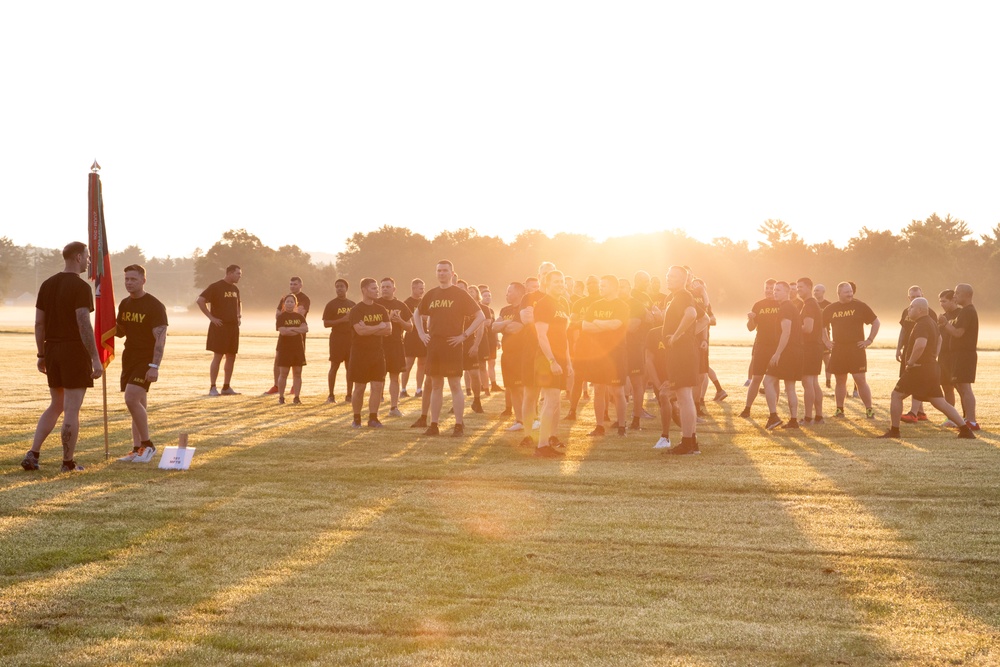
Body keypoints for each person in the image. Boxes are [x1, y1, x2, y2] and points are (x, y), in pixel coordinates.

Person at [22, 242, 103, 472]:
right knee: (71, 409)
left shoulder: (47, 284)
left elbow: (39, 323)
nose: (88, 261)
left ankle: (33, 453)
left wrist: (41, 354)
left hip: (52, 350)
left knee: (55, 405)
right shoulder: (80, 287)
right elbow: (83, 323)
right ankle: (67, 463)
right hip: (74, 351)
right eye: (87, 257)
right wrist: (95, 358)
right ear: (78, 257)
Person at [877, 298, 975, 440]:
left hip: (919, 369)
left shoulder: (922, 324)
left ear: (920, 310)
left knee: (896, 395)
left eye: (911, 307)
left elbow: (921, 344)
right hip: (930, 368)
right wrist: (933, 355)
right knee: (939, 402)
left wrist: (910, 362)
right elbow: (939, 339)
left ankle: (894, 431)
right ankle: (965, 430)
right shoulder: (931, 322)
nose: (909, 310)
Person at [413, 260, 486, 436]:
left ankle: (459, 425)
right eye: (439, 270)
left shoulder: (460, 294)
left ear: (452, 273)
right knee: (436, 385)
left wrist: (464, 335)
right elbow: (416, 313)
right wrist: (422, 334)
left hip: (452, 344)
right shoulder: (431, 294)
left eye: (445, 270)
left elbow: (480, 316)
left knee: (454, 384)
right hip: (435, 344)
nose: (441, 273)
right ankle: (434, 425)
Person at [114, 264, 168, 463]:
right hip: (129, 357)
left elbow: (160, 339)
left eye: (133, 279)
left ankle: (148, 445)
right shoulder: (125, 303)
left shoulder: (154, 305)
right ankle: (137, 449)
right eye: (127, 279)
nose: (129, 282)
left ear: (143, 280)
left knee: (130, 399)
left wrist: (154, 366)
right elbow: (120, 331)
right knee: (138, 403)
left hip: (146, 359)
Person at [662, 265, 705, 455]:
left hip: (682, 353)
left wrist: (678, 335)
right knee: (684, 396)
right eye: (668, 275)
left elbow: (693, 315)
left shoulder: (683, 296)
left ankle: (687, 442)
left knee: (684, 397)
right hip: (682, 351)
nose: (668, 278)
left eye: (673, 276)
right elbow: (706, 318)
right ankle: (691, 442)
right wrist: (688, 334)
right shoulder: (678, 297)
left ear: (683, 279)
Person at [822, 281, 879, 419]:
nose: (850, 294)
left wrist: (869, 340)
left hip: (856, 349)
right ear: (839, 294)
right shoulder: (830, 309)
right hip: (839, 349)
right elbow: (821, 326)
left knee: (860, 380)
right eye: (846, 292)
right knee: (840, 380)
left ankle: (869, 409)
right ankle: (839, 410)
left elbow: (876, 322)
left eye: (850, 291)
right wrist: (826, 341)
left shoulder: (860, 306)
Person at [581, 275, 629, 438]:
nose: (600, 288)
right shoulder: (595, 305)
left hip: (615, 354)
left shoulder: (621, 305)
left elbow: (617, 324)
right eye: (600, 285)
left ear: (614, 287)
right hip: (598, 354)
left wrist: (597, 322)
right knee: (599, 389)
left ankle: (622, 426)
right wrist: (605, 325)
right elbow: (585, 326)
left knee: (617, 391)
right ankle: (599, 426)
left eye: (604, 286)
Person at [532, 270, 573, 457]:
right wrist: (552, 361)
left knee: (555, 403)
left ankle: (548, 441)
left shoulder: (562, 304)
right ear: (547, 284)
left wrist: (569, 362)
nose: (560, 284)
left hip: (560, 359)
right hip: (546, 359)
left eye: (562, 281)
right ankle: (541, 446)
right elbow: (541, 336)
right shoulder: (543, 304)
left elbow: (564, 337)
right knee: (551, 401)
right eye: (556, 282)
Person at [348, 278, 391, 427]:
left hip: (377, 353)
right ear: (364, 290)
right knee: (359, 387)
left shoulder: (381, 309)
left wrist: (370, 328)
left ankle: (373, 418)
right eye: (373, 288)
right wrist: (378, 326)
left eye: (377, 288)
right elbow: (360, 332)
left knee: (377, 386)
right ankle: (357, 418)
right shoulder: (356, 310)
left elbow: (389, 329)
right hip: (360, 354)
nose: (377, 290)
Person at [762, 281, 802, 430]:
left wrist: (777, 353)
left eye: (778, 290)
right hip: (795, 351)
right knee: (790, 387)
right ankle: (793, 420)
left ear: (787, 292)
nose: (774, 292)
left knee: (767, 382)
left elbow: (786, 332)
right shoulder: (791, 307)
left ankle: (773, 416)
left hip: (787, 352)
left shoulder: (785, 308)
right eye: (774, 290)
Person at [198, 264, 242, 396]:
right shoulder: (216, 286)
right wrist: (211, 318)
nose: (239, 276)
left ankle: (226, 387)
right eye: (237, 273)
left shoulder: (235, 289)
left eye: (240, 274)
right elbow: (200, 300)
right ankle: (212, 387)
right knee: (218, 356)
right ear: (229, 273)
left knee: (231, 356)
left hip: (232, 327)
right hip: (220, 327)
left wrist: (239, 316)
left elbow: (239, 303)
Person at [941, 283, 979, 430]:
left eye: (957, 293)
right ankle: (966, 419)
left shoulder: (967, 311)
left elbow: (958, 333)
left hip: (964, 355)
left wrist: (944, 324)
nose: (954, 296)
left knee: (965, 388)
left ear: (966, 295)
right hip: (958, 355)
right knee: (961, 387)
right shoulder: (964, 311)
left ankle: (972, 421)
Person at [896, 286, 936, 423]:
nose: (915, 299)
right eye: (912, 297)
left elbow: (937, 336)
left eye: (918, 296)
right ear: (909, 298)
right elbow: (903, 331)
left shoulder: (928, 313)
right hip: (909, 349)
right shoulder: (907, 312)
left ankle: (913, 413)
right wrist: (898, 347)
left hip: (921, 354)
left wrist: (934, 353)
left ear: (923, 295)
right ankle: (920, 412)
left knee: (913, 382)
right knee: (912, 381)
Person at [740, 279, 778, 418]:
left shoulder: (781, 304)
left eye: (772, 288)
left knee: (774, 380)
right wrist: (750, 318)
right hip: (761, 345)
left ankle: (774, 412)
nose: (769, 290)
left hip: (776, 347)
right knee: (756, 378)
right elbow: (750, 328)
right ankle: (747, 409)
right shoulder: (758, 305)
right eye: (767, 288)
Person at [376, 277, 413, 417]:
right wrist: (387, 320)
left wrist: (399, 320)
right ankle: (376, 405)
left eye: (387, 286)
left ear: (394, 289)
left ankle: (393, 407)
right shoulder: (376, 304)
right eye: (382, 286)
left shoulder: (401, 305)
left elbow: (410, 327)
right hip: (378, 345)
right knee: (378, 377)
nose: (385, 289)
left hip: (396, 345)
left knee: (394, 376)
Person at [266, 277, 310, 394]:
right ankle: (276, 386)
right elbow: (278, 315)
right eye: (291, 284)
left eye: (295, 284)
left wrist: (290, 326)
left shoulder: (305, 299)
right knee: (278, 359)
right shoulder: (284, 298)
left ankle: (294, 388)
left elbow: (300, 314)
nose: (292, 286)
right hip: (284, 337)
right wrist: (288, 322)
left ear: (301, 285)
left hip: (298, 337)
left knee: (297, 364)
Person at [494, 281, 527, 429]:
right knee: (512, 388)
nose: (507, 294)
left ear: (519, 293)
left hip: (522, 353)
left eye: (509, 292)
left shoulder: (524, 309)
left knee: (522, 388)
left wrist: (504, 325)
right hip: (507, 354)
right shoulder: (504, 310)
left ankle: (530, 418)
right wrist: (507, 323)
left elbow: (516, 329)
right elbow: (494, 327)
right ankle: (519, 420)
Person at [321, 279, 355, 403]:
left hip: (350, 339)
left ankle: (349, 395)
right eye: (337, 287)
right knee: (334, 366)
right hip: (337, 338)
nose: (339, 289)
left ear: (347, 288)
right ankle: (331, 395)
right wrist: (342, 319)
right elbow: (326, 323)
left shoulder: (352, 304)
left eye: (341, 286)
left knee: (349, 367)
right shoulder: (331, 304)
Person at [796, 277, 824, 423]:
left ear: (809, 287)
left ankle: (808, 417)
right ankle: (818, 416)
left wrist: (794, 328)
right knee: (813, 382)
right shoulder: (811, 304)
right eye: (798, 287)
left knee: (807, 382)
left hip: (810, 347)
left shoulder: (809, 305)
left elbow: (808, 328)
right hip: (816, 347)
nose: (798, 290)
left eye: (801, 287)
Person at [275, 293, 308, 404]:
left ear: (295, 304)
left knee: (297, 373)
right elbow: (283, 332)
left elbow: (305, 329)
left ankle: (297, 397)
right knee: (283, 373)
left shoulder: (299, 316)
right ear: (284, 304)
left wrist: (291, 329)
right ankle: (281, 397)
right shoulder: (281, 317)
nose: (289, 304)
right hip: (285, 347)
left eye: (292, 302)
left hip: (298, 347)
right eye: (287, 302)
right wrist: (297, 329)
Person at [936, 289, 960, 419]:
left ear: (953, 300)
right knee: (946, 387)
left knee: (961, 388)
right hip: (943, 356)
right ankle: (951, 418)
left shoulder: (961, 314)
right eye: (940, 301)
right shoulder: (943, 316)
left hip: (955, 356)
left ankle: (967, 418)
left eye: (944, 301)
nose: (941, 304)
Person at [401, 279, 427, 398]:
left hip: (423, 336)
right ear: (414, 288)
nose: (423, 291)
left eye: (423, 288)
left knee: (422, 364)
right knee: (408, 364)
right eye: (420, 288)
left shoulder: (425, 302)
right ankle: (403, 389)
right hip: (411, 337)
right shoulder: (406, 303)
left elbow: (429, 316)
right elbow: (408, 320)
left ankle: (419, 389)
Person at [813, 283, 833, 387]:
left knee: (827, 359)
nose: (815, 292)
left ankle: (828, 380)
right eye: (814, 290)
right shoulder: (811, 304)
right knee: (814, 359)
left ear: (823, 292)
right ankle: (814, 380)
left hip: (825, 335)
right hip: (813, 336)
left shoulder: (828, 305)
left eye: (818, 291)